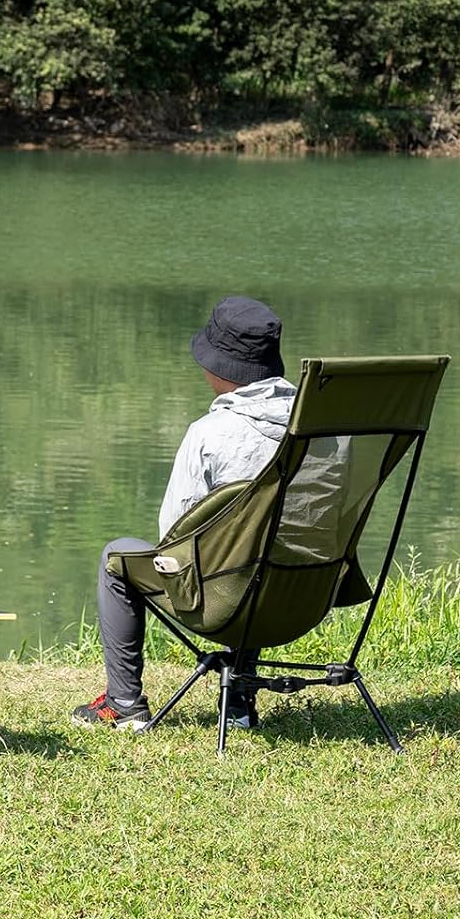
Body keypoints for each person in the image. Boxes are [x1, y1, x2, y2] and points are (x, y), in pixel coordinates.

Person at [73, 295, 297, 732]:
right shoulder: (318, 429)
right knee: (260, 551)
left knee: (116, 557)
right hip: (298, 597)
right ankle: (238, 704)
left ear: (221, 370)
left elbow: (171, 541)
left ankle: (123, 704)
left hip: (222, 603)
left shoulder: (209, 434)